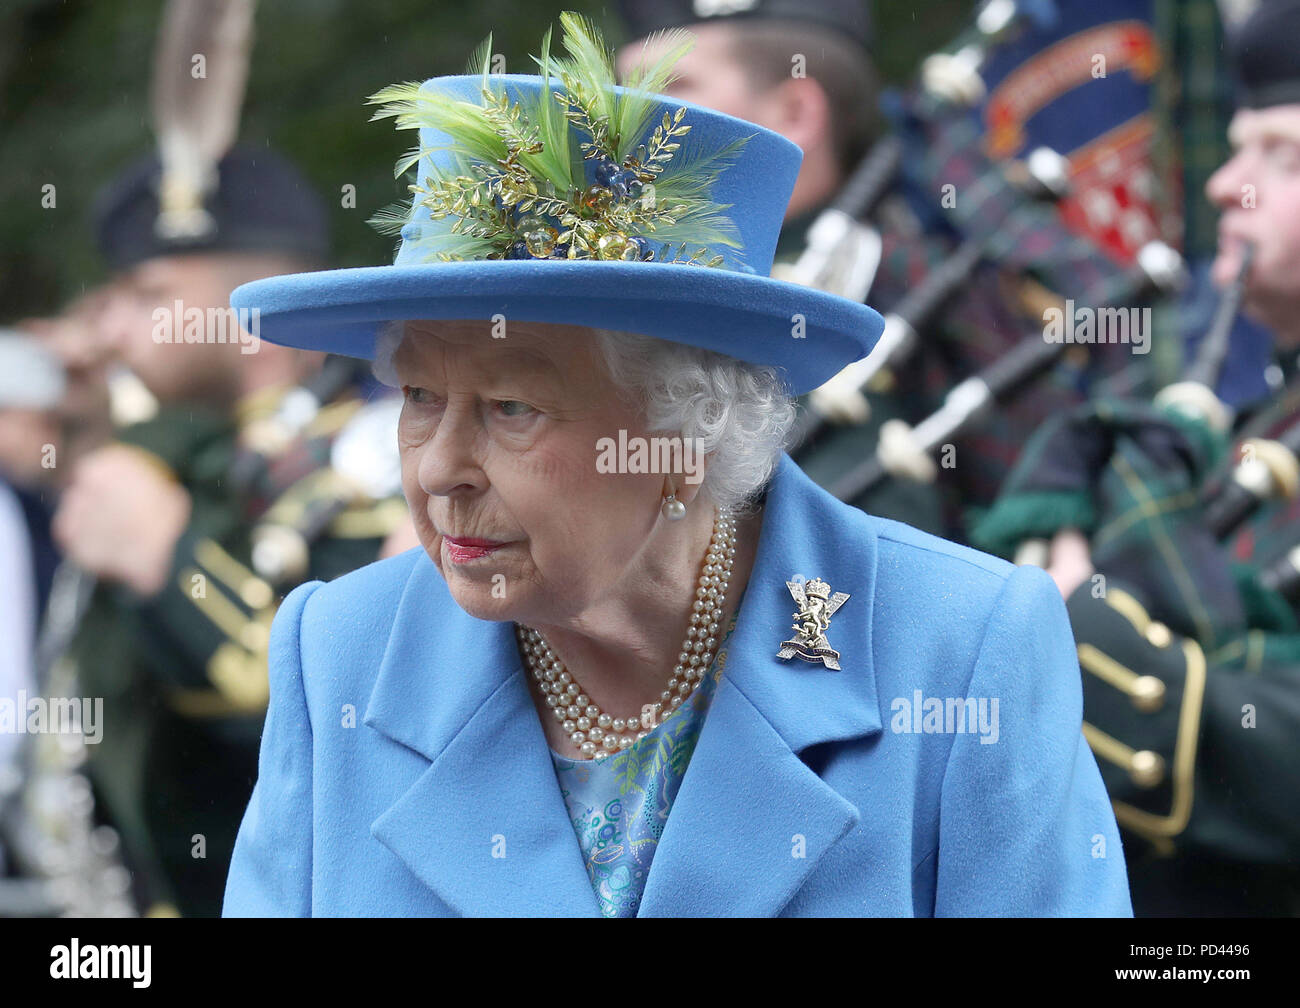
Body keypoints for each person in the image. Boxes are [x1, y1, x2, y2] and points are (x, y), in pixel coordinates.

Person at [222, 16, 1130, 917]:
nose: (437, 472)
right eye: (420, 399)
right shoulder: (337, 653)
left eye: (511, 409)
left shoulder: (957, 649)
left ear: (685, 437)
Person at [973, 0, 1300, 915]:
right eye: (1237, 150)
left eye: (1282, 155)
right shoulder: (1260, 417)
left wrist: (1085, 640)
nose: (1223, 187)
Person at [614, 0, 1146, 542]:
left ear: (796, 112)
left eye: (668, 87)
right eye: (621, 90)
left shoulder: (913, 284)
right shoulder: (604, 285)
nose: (622, 121)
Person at [51, 146, 406, 917]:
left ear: (253, 310)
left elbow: (358, 729)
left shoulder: (384, 462)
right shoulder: (187, 456)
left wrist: (169, 562)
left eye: (148, 294)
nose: (108, 326)